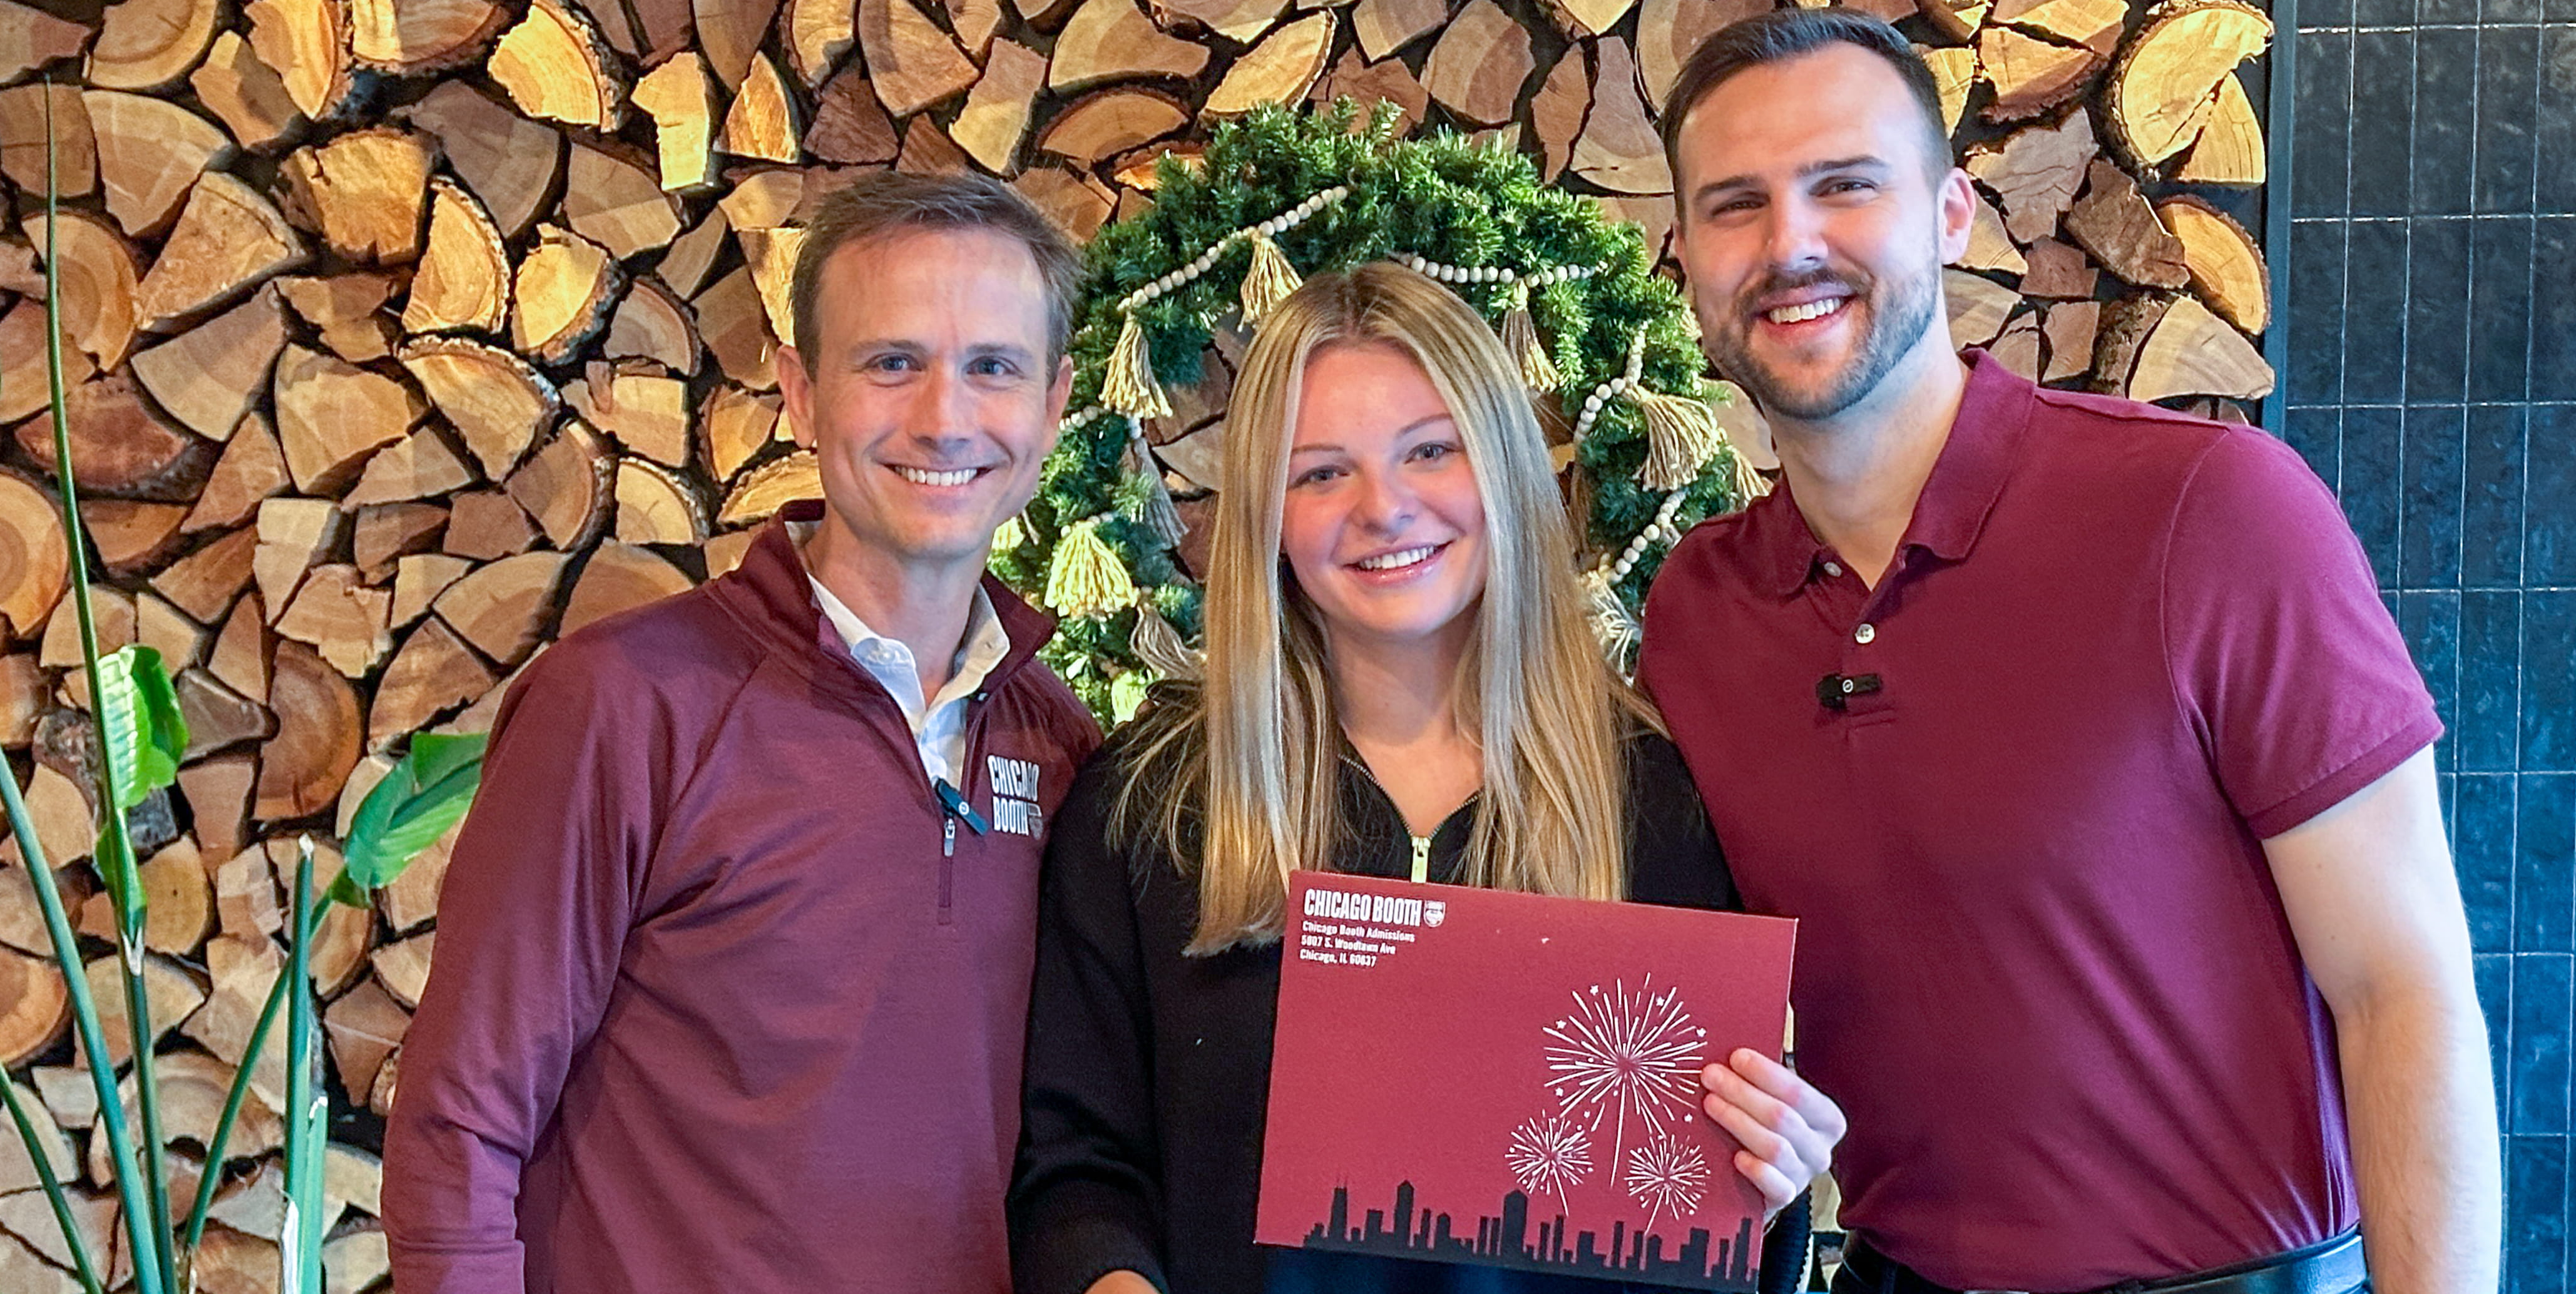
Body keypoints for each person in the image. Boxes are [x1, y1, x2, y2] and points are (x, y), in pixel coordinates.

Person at [1635, 9, 2503, 1294]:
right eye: (1734, 206)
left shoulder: (2208, 512)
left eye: (1843, 186)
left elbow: (2401, 986)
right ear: (1687, 261)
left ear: (1951, 214)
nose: (1790, 244)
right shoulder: (1698, 615)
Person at [1009, 262, 1844, 1294]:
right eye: (1319, 473)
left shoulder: (1665, 799)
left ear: (1499, 467)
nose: (1383, 508)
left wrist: (1771, 1176)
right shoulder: (1154, 806)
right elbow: (1077, 1171)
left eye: (1430, 452)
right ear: (1267, 513)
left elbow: (1712, 1227)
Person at [383, 172, 1105, 1294]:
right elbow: (462, 1118)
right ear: (802, 394)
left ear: (1054, 405)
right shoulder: (626, 703)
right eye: (892, 362)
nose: (944, 417)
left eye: (993, 368)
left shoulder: (1056, 743)